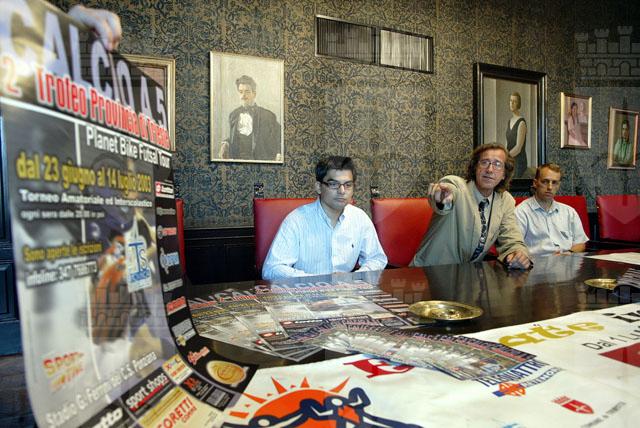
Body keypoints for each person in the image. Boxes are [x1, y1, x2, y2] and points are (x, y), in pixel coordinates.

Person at [262, 156, 387, 280]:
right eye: (334, 184)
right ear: (318, 187)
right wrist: (319, 281)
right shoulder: (296, 221)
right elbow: (272, 269)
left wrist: (354, 278)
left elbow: (376, 259)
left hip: (346, 290)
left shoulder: (360, 218)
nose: (342, 191)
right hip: (307, 290)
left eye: (348, 185)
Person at [411, 143, 531, 269]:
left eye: (497, 164)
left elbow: (511, 238)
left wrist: (518, 254)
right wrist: (442, 198)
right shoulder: (457, 186)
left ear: (504, 174)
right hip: (428, 272)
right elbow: (448, 191)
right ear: (475, 168)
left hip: (468, 275)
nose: (490, 169)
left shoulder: (505, 200)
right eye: (484, 162)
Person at [515, 163, 588, 257]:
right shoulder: (521, 212)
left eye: (554, 183)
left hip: (567, 262)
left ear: (559, 185)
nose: (550, 187)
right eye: (545, 182)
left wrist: (570, 252)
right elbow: (515, 247)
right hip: (537, 263)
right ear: (535, 183)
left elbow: (580, 244)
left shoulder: (569, 212)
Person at [219, 75, 282, 161]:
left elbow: (280, 137)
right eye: (241, 92)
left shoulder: (268, 116)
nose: (243, 95)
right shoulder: (233, 115)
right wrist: (226, 143)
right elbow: (235, 137)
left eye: (247, 92)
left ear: (254, 94)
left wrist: (279, 153)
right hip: (238, 162)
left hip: (260, 162)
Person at [506, 92, 527, 177]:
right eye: (510, 101)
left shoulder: (521, 122)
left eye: (514, 101)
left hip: (518, 161)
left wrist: (505, 157)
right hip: (510, 160)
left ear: (518, 104)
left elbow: (518, 148)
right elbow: (508, 143)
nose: (512, 103)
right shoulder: (510, 121)